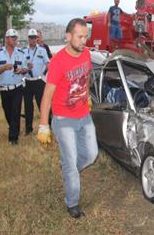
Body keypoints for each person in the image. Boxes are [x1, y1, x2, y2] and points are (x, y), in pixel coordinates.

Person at [38, 18, 98, 218]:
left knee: (91, 155)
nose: (84, 41)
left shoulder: (87, 53)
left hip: (84, 115)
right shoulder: (58, 61)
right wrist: (43, 125)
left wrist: (87, 96)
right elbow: (47, 95)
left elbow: (86, 77)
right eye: (80, 37)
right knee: (71, 162)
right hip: (64, 119)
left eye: (86, 37)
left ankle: (68, 170)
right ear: (68, 36)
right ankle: (72, 203)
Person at [0, 29, 28, 145]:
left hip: (17, 87)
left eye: (16, 38)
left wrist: (22, 70)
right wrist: (4, 68)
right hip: (4, 89)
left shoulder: (21, 53)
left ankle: (13, 138)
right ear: (7, 39)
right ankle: (13, 127)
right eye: (13, 38)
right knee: (8, 113)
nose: (15, 40)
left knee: (16, 112)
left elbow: (25, 69)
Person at [23, 29, 50, 135]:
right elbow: (20, 65)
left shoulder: (42, 50)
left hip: (39, 81)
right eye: (31, 37)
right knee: (28, 106)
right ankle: (28, 129)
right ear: (28, 38)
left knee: (42, 104)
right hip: (27, 81)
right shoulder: (23, 51)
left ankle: (47, 125)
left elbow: (48, 63)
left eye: (35, 37)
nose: (33, 39)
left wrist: (44, 74)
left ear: (37, 38)